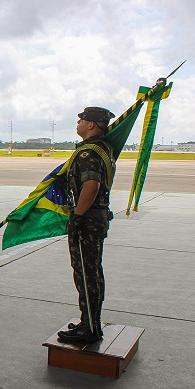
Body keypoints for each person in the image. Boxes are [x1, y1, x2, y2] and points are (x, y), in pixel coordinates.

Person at [57, 106, 116, 344]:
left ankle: (89, 328)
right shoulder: (104, 149)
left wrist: (78, 217)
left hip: (88, 221)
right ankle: (91, 322)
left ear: (91, 124)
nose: (78, 122)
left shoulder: (88, 153)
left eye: (81, 119)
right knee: (93, 272)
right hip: (98, 219)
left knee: (85, 274)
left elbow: (91, 186)